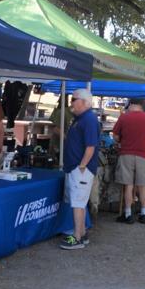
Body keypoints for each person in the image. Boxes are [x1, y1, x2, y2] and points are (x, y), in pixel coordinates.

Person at [112, 98, 145, 224]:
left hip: (126, 154)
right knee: (142, 186)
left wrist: (120, 141)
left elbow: (115, 136)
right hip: (143, 156)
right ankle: (144, 213)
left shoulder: (124, 118)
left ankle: (128, 214)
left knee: (128, 186)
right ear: (142, 105)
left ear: (131, 105)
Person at [59, 89, 100, 250]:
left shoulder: (89, 119)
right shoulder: (81, 118)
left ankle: (77, 237)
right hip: (75, 168)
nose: (71, 102)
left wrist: (82, 166)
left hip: (80, 169)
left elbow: (91, 146)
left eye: (73, 99)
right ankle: (81, 233)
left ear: (84, 102)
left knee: (78, 203)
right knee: (78, 202)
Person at [49, 96, 74, 161]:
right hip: (60, 148)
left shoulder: (79, 114)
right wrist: (69, 140)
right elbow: (56, 129)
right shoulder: (62, 112)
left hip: (72, 148)